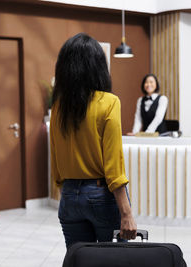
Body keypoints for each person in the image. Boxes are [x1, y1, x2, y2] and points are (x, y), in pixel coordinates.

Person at [50, 33, 137, 248]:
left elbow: (55, 158)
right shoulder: (108, 102)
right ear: (98, 65)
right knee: (112, 261)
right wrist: (126, 213)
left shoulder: (59, 106)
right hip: (101, 195)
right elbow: (113, 163)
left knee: (79, 260)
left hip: (69, 195)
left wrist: (69, 192)